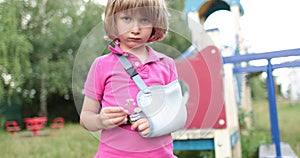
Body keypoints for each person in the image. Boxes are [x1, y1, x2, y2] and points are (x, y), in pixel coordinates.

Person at [80, 0, 180, 157]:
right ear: (113, 21)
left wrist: (157, 123)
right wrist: (100, 121)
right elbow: (86, 117)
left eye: (144, 20)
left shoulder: (167, 64)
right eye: (127, 18)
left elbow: (176, 114)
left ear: (155, 24)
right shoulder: (101, 65)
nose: (135, 29)